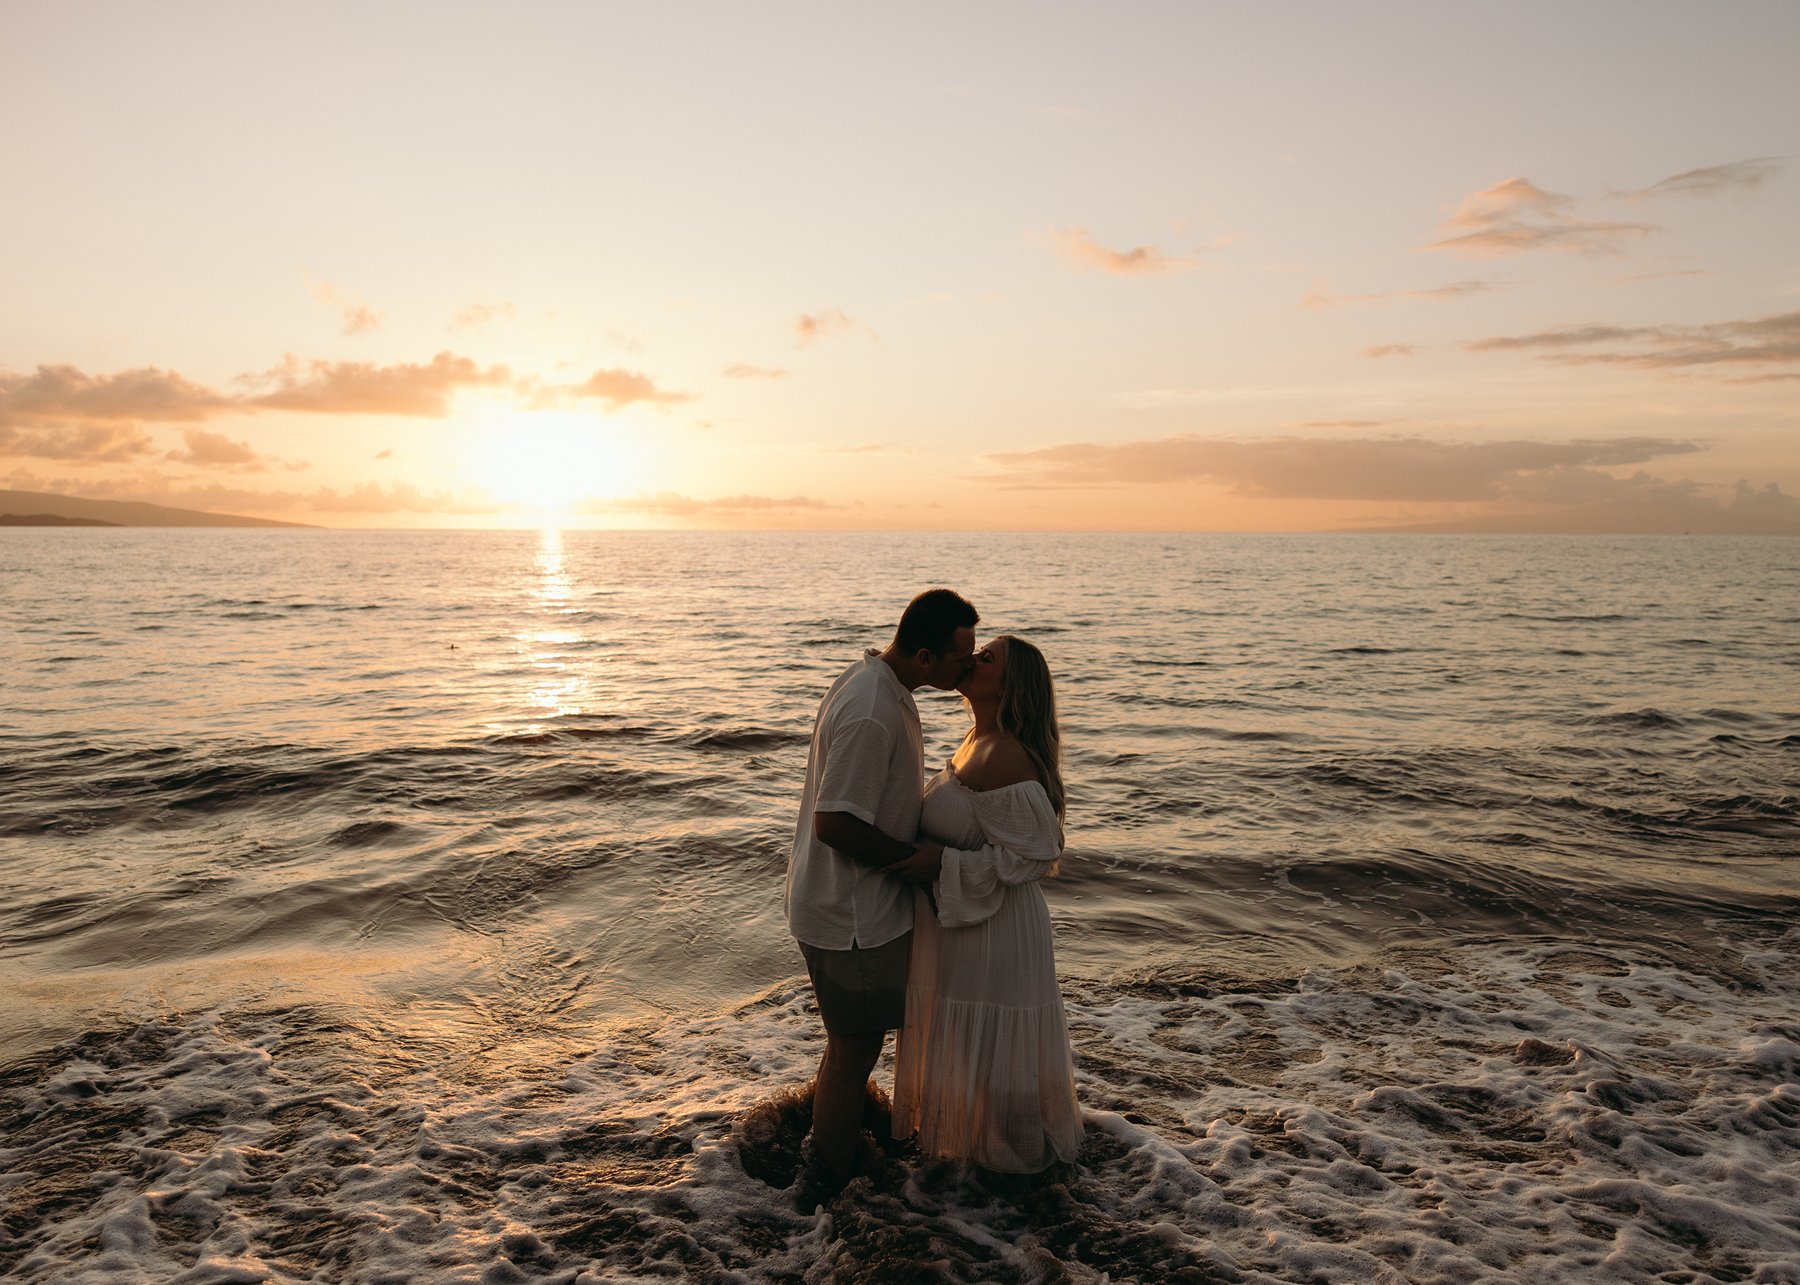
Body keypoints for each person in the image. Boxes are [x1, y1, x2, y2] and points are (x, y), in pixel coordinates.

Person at [785, 588, 979, 1202]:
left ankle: (833, 1155)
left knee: (852, 1046)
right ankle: (830, 1184)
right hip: (851, 915)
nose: (966, 670)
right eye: (958, 660)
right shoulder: (873, 708)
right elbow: (834, 822)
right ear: (925, 657)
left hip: (847, 906)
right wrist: (914, 863)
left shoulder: (881, 684)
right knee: (853, 1050)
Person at [892, 635, 1084, 1173]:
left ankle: (1016, 1180)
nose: (973, 660)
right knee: (981, 1059)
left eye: (988, 658)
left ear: (1010, 684)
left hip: (997, 927)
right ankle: (982, 1169)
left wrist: (939, 866)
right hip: (971, 920)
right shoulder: (978, 737)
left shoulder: (1005, 753)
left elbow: (1039, 852)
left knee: (999, 1062)